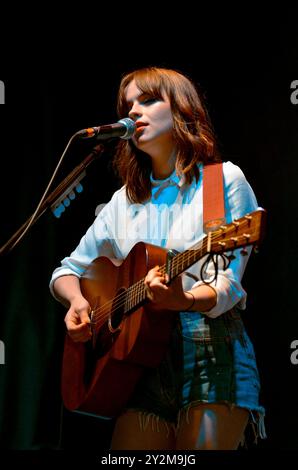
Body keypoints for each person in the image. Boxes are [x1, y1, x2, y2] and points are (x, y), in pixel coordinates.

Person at [50, 66, 266, 450]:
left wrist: (181, 299)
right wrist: (78, 302)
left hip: (209, 356)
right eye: (128, 104)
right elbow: (70, 269)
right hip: (138, 365)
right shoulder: (125, 200)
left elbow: (228, 284)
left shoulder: (222, 181)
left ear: (182, 109)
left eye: (148, 100)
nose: (133, 111)